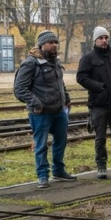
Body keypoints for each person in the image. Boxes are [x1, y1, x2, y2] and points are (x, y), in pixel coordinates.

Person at [13, 29, 75, 188]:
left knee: (61, 141)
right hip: (40, 114)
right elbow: (19, 89)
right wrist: (36, 103)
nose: (54, 45)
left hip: (59, 111)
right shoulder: (30, 63)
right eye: (50, 42)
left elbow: (60, 83)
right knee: (41, 145)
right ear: (41, 45)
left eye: (55, 42)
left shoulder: (55, 61)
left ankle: (59, 171)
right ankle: (42, 175)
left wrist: (66, 98)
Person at [76, 26, 111, 179]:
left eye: (106, 37)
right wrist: (99, 87)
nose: (104, 40)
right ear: (95, 40)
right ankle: (101, 166)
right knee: (100, 138)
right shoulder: (88, 58)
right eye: (101, 38)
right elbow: (81, 77)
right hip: (98, 105)